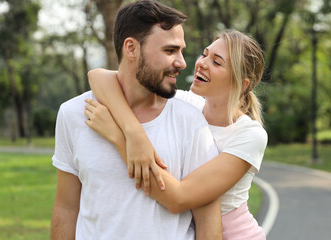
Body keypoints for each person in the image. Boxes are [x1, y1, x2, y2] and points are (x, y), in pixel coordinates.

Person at [51, 1, 222, 239]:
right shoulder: (73, 114)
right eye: (170, 51)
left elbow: (208, 219)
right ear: (131, 48)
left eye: (181, 51)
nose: (182, 63)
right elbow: (66, 208)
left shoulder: (190, 121)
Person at [85, 29, 268, 239]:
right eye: (205, 54)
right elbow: (98, 76)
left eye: (217, 62)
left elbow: (178, 197)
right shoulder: (185, 104)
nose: (202, 63)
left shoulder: (249, 135)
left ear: (242, 84)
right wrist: (133, 131)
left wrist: (118, 137)